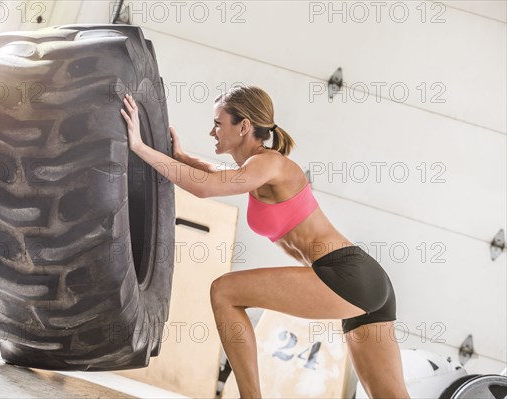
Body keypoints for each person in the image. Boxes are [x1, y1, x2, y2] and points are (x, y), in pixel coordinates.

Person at [120, 86, 411, 399]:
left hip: (345, 276)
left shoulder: (270, 164)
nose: (212, 131)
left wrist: (139, 147)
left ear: (243, 126)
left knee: (224, 291)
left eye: (218, 123)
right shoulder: (257, 168)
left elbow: (206, 187)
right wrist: (181, 157)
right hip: (363, 280)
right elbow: (219, 173)